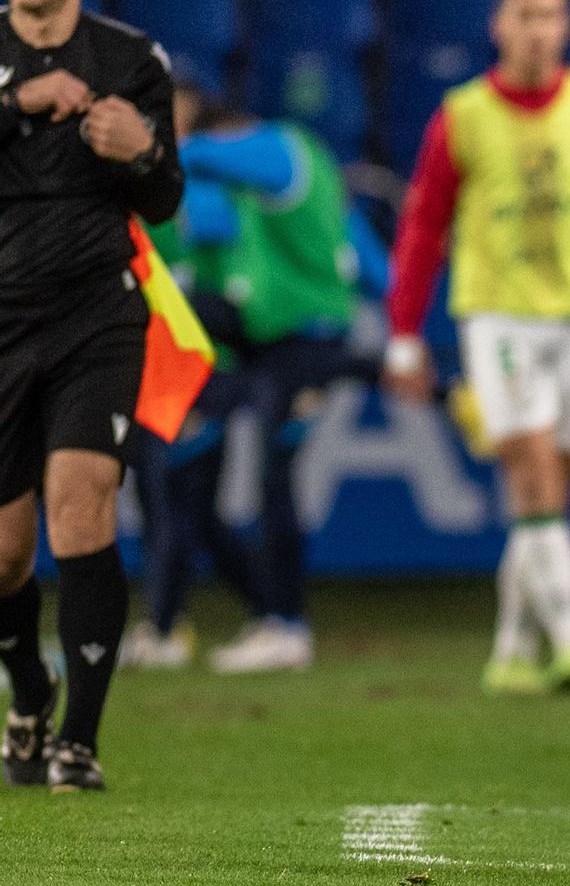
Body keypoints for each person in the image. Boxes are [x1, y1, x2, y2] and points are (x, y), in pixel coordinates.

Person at [381, 0, 570, 696]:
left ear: (567, 27)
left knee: (548, 493)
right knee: (535, 467)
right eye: (525, 15)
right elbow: (422, 227)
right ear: (498, 26)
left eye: (551, 15)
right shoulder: (464, 114)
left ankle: (511, 647)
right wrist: (404, 333)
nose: (539, 29)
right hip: (498, 314)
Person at [0, 0, 185, 791]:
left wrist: (141, 150)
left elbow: (168, 198)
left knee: (82, 505)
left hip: (95, 315)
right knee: (2, 554)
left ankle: (80, 738)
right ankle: (28, 686)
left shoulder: (131, 60)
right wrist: (17, 104)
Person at [121, 75, 386, 673]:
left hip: (292, 347)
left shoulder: (277, 150)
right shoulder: (263, 197)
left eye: (174, 122)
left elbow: (202, 176)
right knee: (216, 489)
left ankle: (274, 623)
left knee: (247, 485)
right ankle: (249, 618)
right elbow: (370, 262)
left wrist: (135, 152)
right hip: (272, 348)